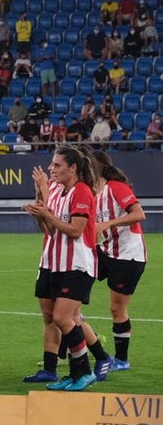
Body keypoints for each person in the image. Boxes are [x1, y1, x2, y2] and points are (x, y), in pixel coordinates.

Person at [21, 146, 102, 391]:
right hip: (54, 263)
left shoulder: (82, 192)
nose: (51, 169)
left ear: (73, 168)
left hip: (77, 264)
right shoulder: (59, 191)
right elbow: (48, 230)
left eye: (57, 165)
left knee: (62, 317)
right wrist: (39, 209)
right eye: (52, 164)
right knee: (55, 318)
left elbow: (76, 230)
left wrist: (48, 214)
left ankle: (85, 372)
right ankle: (74, 373)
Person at [90, 149, 147, 372]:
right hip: (105, 250)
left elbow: (139, 214)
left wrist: (108, 224)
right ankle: (81, 337)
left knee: (117, 308)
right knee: (74, 285)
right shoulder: (93, 191)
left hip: (127, 254)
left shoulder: (116, 187)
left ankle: (121, 360)